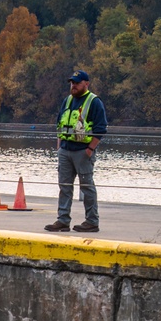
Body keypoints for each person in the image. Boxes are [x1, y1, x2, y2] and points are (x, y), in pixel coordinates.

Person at [45, 70, 108, 234]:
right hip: (65, 150)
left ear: (86, 84)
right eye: (72, 83)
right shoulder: (67, 100)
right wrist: (59, 147)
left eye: (77, 83)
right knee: (64, 186)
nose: (73, 85)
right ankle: (63, 220)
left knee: (87, 186)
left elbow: (101, 129)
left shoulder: (94, 102)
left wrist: (89, 150)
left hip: (83, 151)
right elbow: (59, 124)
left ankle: (92, 221)